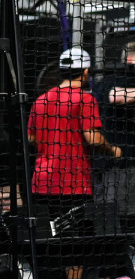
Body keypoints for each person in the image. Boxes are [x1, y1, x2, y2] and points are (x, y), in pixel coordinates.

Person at [26, 47, 121, 221]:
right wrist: (112, 150)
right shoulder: (85, 99)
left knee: (47, 241)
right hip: (73, 185)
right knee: (76, 242)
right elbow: (93, 139)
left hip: (42, 183)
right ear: (85, 72)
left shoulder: (41, 99)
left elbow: (31, 139)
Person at [92, 40, 135, 224]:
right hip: (112, 167)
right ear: (130, 59)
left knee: (131, 218)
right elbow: (115, 96)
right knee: (112, 220)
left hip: (128, 165)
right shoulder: (115, 77)